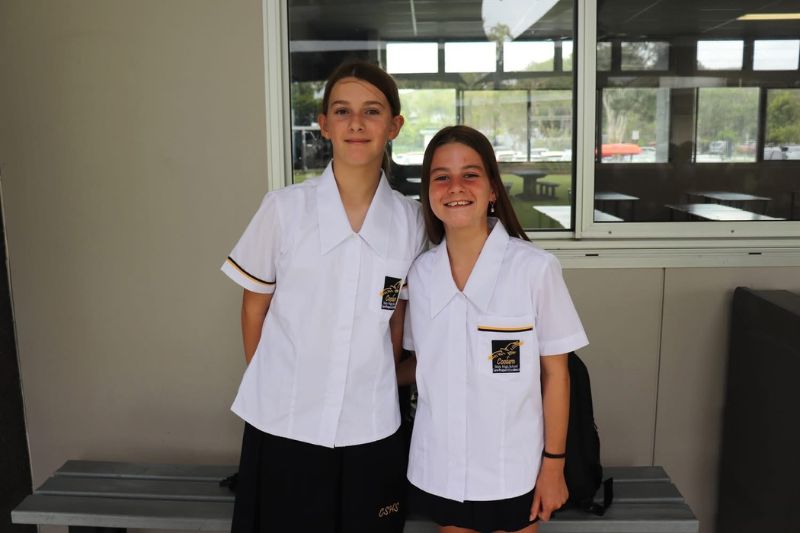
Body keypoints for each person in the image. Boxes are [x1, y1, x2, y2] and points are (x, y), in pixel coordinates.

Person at [221, 60, 426, 533]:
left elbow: (396, 319)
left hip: (371, 425)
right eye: (342, 110)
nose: (356, 123)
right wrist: (273, 385)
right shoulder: (284, 210)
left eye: (372, 111)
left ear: (394, 126)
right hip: (284, 422)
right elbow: (254, 308)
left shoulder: (411, 221)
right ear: (324, 125)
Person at [400, 126, 588, 533]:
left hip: (514, 469)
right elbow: (422, 364)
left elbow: (557, 375)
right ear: (427, 193)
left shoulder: (535, 269)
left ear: (492, 190)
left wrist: (554, 466)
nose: (455, 187)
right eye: (441, 177)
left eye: (470, 174)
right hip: (440, 469)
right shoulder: (420, 275)